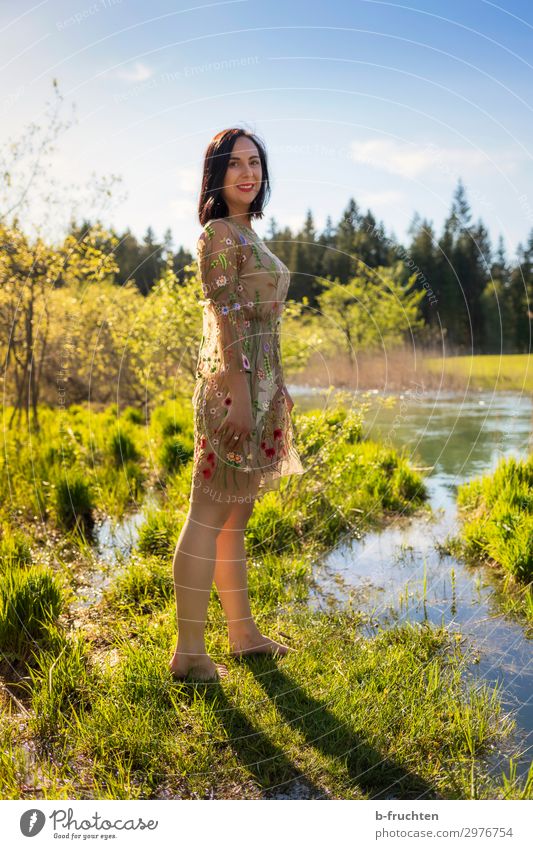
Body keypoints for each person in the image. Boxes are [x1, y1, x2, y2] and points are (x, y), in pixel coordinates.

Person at [169, 128, 305, 681]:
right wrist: (241, 396)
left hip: (262, 385)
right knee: (208, 509)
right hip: (235, 391)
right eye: (235, 165)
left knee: (236, 514)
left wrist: (277, 387)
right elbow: (224, 316)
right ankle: (190, 654)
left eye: (255, 163)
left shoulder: (250, 232)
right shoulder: (220, 233)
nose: (247, 173)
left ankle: (243, 633)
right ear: (217, 176)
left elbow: (263, 322)